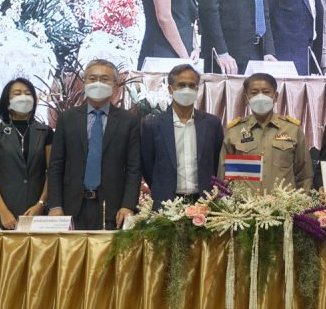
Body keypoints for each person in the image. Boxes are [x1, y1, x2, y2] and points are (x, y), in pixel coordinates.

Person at [48, 59, 141, 230]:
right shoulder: (67, 119)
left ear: (115, 85)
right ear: (84, 83)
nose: (98, 83)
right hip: (71, 207)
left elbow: (134, 168)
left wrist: (128, 205)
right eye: (92, 78)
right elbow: (56, 165)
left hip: (113, 208)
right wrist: (55, 205)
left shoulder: (128, 121)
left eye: (104, 79)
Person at [141, 64, 224, 209]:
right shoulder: (153, 125)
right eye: (181, 85)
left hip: (204, 202)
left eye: (191, 85)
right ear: (170, 89)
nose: (187, 90)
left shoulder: (212, 123)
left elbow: (217, 161)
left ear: (197, 89)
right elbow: (148, 166)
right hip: (166, 203)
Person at [218, 73, 312, 192]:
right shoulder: (234, 132)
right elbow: (223, 177)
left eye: (266, 92)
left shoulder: (292, 130)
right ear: (246, 98)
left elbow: (305, 175)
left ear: (275, 96)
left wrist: (302, 201)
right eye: (254, 92)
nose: (260, 96)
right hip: (245, 203)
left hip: (284, 203)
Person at [0, 78, 52, 229]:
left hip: (36, 212)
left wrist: (41, 203)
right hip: (3, 213)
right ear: (7, 101)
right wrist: (3, 211)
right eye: (17, 93)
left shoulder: (45, 132)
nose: (23, 97)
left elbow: (52, 172)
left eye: (28, 93)